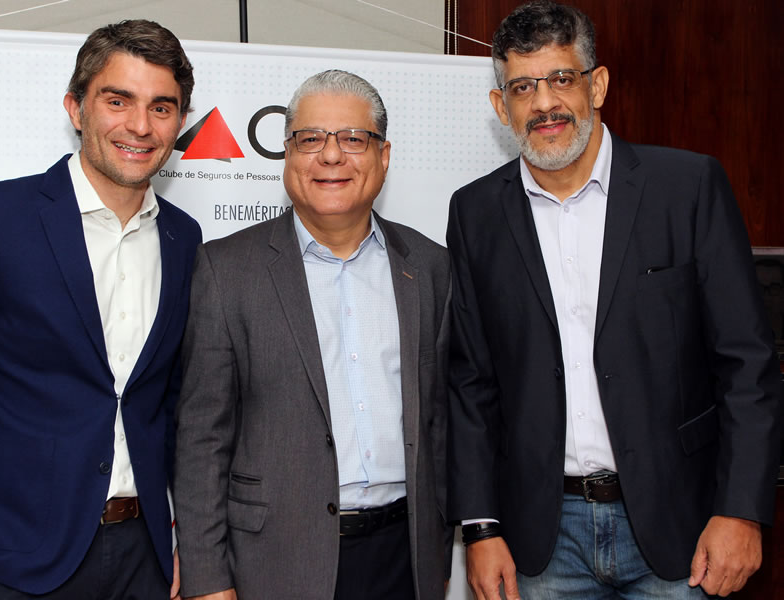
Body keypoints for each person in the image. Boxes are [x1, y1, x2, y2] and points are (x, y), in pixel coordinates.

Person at [446, 2, 782, 599]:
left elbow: (747, 364)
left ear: (597, 85)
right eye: (522, 87)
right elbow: (471, 382)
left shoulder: (688, 188)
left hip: (683, 528)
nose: (544, 103)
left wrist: (741, 510)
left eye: (561, 78)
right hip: (541, 541)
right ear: (501, 106)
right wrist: (481, 527)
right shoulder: (475, 213)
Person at [0, 19, 201, 599]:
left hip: (146, 560)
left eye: (161, 107)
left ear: (180, 122)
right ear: (76, 108)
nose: (140, 125)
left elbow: (173, 403)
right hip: (8, 562)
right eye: (117, 100)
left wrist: (181, 536)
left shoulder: (184, 238)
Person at [174, 69, 451, 600]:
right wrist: (207, 579)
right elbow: (201, 439)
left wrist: (437, 551)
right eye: (310, 139)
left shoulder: (430, 266)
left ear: (384, 156)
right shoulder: (225, 270)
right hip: (274, 561)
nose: (331, 156)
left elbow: (440, 426)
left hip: (405, 556)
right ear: (287, 154)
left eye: (353, 139)